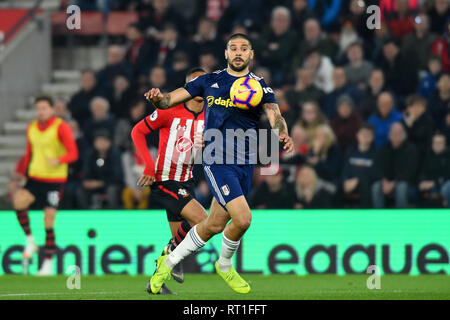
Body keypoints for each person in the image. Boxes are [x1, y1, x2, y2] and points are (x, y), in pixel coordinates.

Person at [144, 33, 293, 294]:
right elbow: (168, 100)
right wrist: (157, 98)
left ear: (251, 55)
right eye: (233, 48)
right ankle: (224, 264)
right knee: (243, 219)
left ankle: (166, 264)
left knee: (213, 225)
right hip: (217, 158)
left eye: (243, 48)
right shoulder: (209, 81)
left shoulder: (260, 86)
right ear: (226, 54)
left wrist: (282, 132)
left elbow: (275, 115)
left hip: (245, 162)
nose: (238, 52)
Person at [131, 68, 208, 291]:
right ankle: (168, 258)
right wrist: (147, 164)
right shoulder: (169, 111)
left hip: (187, 181)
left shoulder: (212, 115)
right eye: (194, 83)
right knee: (202, 220)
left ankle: (158, 281)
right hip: (164, 179)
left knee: (182, 244)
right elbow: (137, 131)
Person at [13, 95, 78, 275]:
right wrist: (22, 173)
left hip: (54, 180)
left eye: (44, 108)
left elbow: (73, 153)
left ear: (51, 110)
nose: (40, 112)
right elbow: (29, 152)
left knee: (48, 220)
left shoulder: (60, 127)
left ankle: (48, 263)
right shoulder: (32, 127)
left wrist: (58, 160)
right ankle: (30, 240)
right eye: (38, 108)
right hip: (35, 177)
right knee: (18, 202)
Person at [371, 123, 419, 208]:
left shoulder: (411, 150)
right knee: (376, 187)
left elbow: (410, 171)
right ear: (389, 135)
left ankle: (400, 217)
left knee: (401, 188)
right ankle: (378, 216)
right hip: (386, 181)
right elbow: (377, 167)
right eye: (393, 133)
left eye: (399, 133)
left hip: (404, 181)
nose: (396, 135)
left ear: (404, 135)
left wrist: (393, 183)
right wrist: (384, 181)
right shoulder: (383, 149)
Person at [341, 123, 377, 208]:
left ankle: (366, 216)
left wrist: (357, 180)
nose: (365, 136)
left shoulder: (376, 153)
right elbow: (344, 169)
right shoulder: (350, 151)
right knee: (337, 186)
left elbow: (374, 174)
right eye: (363, 133)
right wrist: (345, 180)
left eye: (368, 134)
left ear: (373, 137)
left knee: (365, 185)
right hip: (350, 183)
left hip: (366, 184)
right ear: (357, 135)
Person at [418, 132, 450, 207]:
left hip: (444, 183)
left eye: (440, 143)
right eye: (435, 143)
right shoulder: (427, 155)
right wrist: (422, 182)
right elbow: (422, 171)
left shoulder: (448, 156)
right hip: (429, 183)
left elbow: (447, 174)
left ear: (445, 144)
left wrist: (434, 182)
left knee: (443, 189)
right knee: (421, 189)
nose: (437, 145)